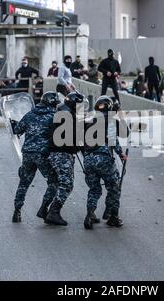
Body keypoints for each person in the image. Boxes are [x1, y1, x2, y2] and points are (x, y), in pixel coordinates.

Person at [10, 92, 61, 223]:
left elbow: (17, 130)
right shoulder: (54, 116)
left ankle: (17, 211)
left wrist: (13, 122)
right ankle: (44, 208)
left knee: (24, 183)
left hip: (27, 153)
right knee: (53, 182)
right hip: (43, 154)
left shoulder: (30, 114)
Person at [83, 96, 128, 229]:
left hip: (88, 159)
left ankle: (89, 215)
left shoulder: (90, 120)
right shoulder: (111, 120)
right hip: (103, 158)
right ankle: (113, 217)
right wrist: (121, 154)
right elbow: (116, 139)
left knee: (94, 189)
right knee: (114, 188)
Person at [46, 92, 87, 226]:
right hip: (62, 154)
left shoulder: (62, 113)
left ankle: (45, 210)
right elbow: (75, 139)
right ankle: (53, 212)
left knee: (58, 183)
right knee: (67, 184)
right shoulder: (68, 117)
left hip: (56, 153)